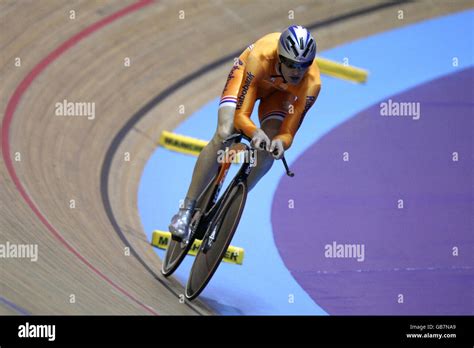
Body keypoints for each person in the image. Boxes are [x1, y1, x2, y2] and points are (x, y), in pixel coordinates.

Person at [169, 25, 321, 241]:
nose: (298, 71)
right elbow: (241, 116)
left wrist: (280, 142)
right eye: (292, 65)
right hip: (249, 78)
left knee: (268, 151)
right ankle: (185, 210)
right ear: (280, 57)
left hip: (279, 95)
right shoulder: (261, 57)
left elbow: (289, 131)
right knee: (224, 132)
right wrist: (252, 131)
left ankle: (231, 204)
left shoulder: (312, 84)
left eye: (304, 65)